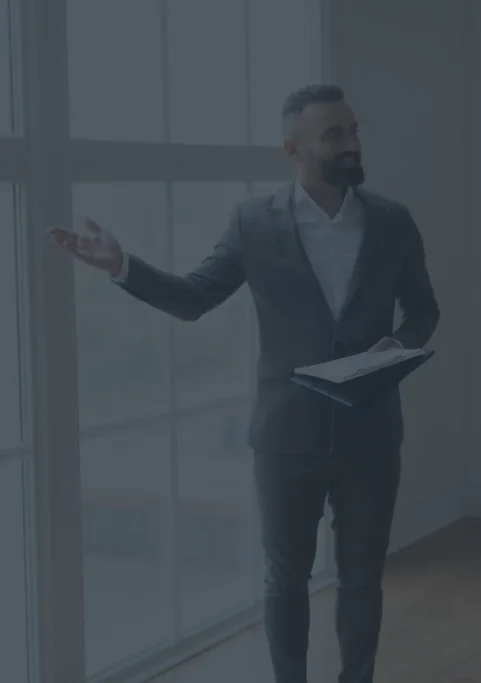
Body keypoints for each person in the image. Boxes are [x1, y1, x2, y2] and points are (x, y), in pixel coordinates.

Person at [49, 84, 441, 683]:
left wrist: (398, 344)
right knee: (286, 580)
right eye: (334, 134)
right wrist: (122, 266)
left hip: (372, 433)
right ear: (294, 149)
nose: (351, 143)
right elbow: (194, 297)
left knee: (363, 577)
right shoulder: (253, 223)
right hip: (287, 437)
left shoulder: (392, 221)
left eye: (353, 130)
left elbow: (423, 309)